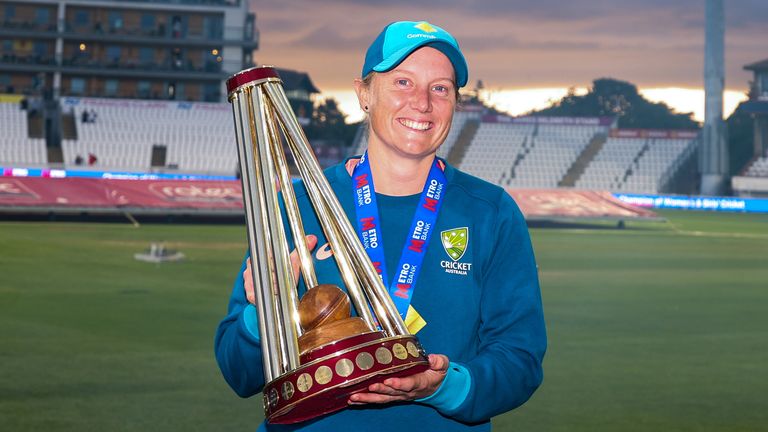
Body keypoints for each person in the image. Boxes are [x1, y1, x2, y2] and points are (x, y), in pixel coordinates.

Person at [215, 20, 546, 431]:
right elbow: (238, 371)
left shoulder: (491, 212)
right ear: (364, 94)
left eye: (440, 87)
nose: (423, 103)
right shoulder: (295, 206)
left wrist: (442, 387)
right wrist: (259, 312)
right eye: (403, 82)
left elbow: (520, 360)